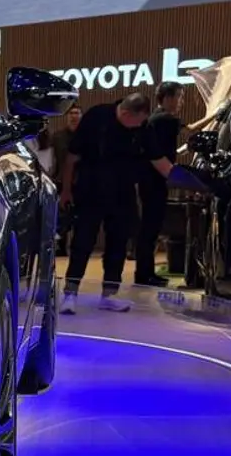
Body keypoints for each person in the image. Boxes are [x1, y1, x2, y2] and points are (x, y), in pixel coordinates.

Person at [59, 92, 172, 314]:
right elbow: (72, 156)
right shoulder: (97, 117)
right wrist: (66, 190)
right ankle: (70, 293)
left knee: (118, 245)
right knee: (82, 242)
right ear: (127, 113)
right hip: (91, 190)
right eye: (137, 121)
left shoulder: (143, 127)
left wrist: (184, 179)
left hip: (123, 193)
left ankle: (109, 294)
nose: (138, 126)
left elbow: (158, 160)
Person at [135, 82, 184, 287]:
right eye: (179, 97)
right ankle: (144, 275)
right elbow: (190, 130)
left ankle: (145, 272)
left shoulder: (154, 118)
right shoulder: (166, 120)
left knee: (149, 228)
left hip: (147, 180)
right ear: (168, 98)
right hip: (155, 180)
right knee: (151, 228)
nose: (181, 102)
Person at [36, 104, 81, 256]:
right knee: (61, 216)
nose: (74, 116)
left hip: (82, 182)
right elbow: (49, 157)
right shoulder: (58, 137)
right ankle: (61, 247)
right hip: (61, 180)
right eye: (71, 113)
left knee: (80, 218)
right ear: (67, 117)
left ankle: (77, 248)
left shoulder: (86, 136)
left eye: (77, 113)